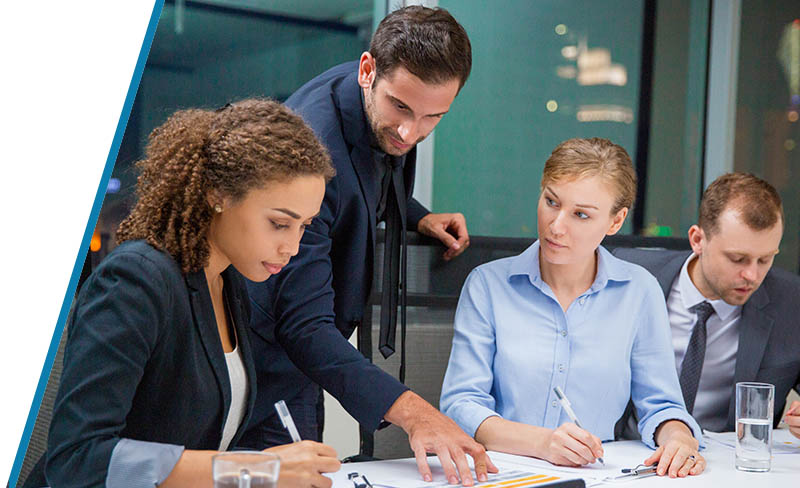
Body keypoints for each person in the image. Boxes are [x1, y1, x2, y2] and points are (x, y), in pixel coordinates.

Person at [240, 6, 495, 486]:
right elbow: (301, 324)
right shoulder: (312, 156)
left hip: (303, 356)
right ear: (367, 70)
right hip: (262, 360)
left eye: (432, 117)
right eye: (401, 108)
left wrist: (415, 214)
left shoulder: (384, 97)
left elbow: (371, 175)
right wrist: (415, 412)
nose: (410, 132)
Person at [43, 99, 341, 488]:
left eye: (304, 226)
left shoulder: (227, 283)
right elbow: (77, 460)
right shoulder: (136, 280)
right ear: (218, 194)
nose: (292, 247)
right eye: (279, 223)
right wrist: (252, 471)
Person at [440, 138, 707, 479]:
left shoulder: (639, 292)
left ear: (615, 221)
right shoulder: (488, 285)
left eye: (581, 214)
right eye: (551, 201)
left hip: (597, 477)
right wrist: (543, 443)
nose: (556, 225)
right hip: (501, 475)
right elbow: (461, 405)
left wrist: (679, 439)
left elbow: (661, 405)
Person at [613, 172, 800, 438]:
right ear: (698, 240)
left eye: (765, 259)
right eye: (738, 259)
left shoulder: (791, 302)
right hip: (629, 455)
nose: (753, 275)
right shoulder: (630, 276)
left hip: (725, 467)